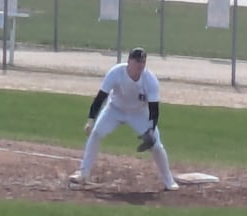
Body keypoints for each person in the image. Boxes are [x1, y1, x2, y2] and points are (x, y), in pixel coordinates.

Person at [68, 47, 179, 191]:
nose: (140, 65)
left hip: (139, 113)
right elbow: (101, 97)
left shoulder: (150, 80)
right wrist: (91, 119)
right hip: (115, 110)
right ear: (129, 61)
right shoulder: (116, 73)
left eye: (143, 61)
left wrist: (151, 129)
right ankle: (83, 174)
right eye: (137, 61)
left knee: (157, 146)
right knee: (96, 134)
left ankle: (168, 180)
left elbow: (154, 109)